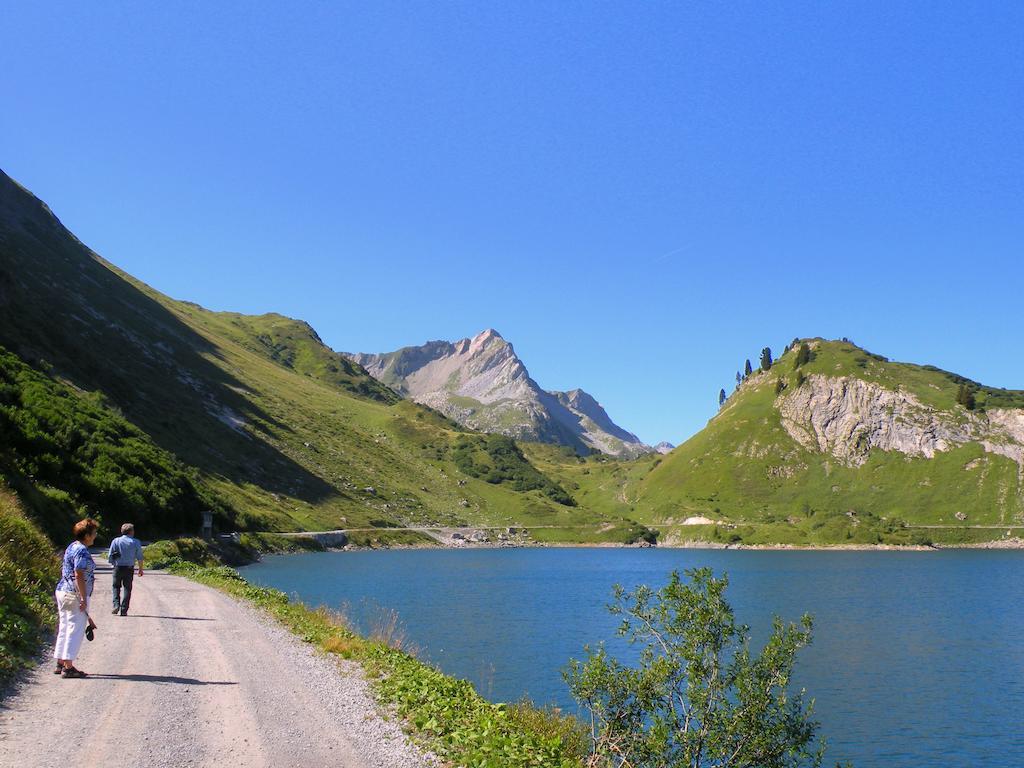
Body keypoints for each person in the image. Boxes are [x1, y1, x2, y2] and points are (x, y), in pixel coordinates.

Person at [54, 518, 99, 678]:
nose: (95, 536)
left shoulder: (72, 546)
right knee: (75, 629)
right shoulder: (82, 551)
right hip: (74, 594)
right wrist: (82, 598)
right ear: (87, 535)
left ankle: (60, 662)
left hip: (62, 591)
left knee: (65, 626)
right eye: (94, 533)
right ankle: (68, 667)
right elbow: (78, 574)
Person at [108, 522, 144, 616]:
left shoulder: (115, 541)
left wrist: (113, 564)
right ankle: (124, 610)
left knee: (116, 587)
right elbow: (139, 557)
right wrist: (140, 569)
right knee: (127, 588)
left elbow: (110, 555)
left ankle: (116, 605)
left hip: (118, 567)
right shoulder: (136, 542)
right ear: (131, 531)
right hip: (129, 568)